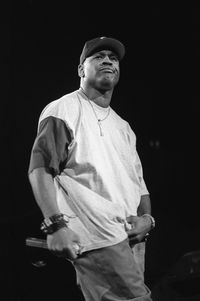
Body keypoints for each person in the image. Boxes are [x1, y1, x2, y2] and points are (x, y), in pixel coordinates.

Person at [28, 36, 155, 301]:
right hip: (100, 238)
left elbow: (138, 183)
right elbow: (40, 169)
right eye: (98, 56)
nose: (108, 60)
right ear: (80, 70)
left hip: (132, 239)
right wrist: (55, 225)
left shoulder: (123, 127)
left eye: (113, 57)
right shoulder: (64, 109)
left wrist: (147, 220)